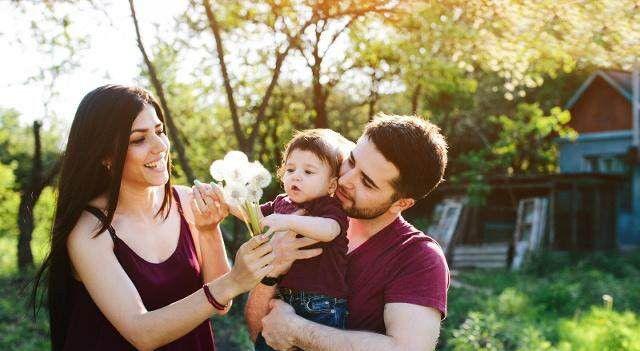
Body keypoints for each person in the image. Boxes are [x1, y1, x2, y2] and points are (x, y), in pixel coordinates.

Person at [31, 85, 276, 351]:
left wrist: (208, 231)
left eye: (159, 132)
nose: (160, 147)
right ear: (105, 155)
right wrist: (234, 280)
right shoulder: (89, 230)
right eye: (139, 139)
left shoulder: (186, 202)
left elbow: (221, 302)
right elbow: (141, 332)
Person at [244, 114, 450, 350]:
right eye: (351, 161)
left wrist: (297, 331)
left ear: (401, 203)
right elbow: (257, 331)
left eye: (367, 182)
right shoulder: (307, 215)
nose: (345, 180)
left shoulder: (419, 257)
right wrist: (271, 275)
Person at [235, 129, 350, 351]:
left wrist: (288, 222)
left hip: (322, 305)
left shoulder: (327, 206)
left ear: (331, 185)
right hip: (285, 300)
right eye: (290, 169)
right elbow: (255, 216)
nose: (296, 176)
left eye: (308, 171)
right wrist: (228, 202)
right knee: (267, 344)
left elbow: (330, 230)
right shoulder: (281, 203)